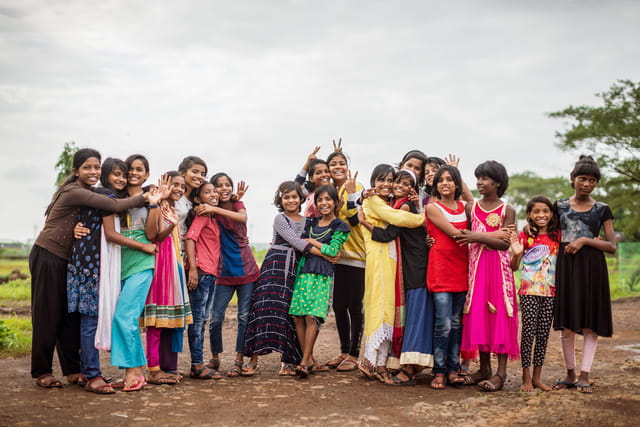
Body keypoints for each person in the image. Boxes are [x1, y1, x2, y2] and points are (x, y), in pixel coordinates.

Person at [30, 148, 153, 389]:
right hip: (49, 254)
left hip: (70, 259)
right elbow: (113, 206)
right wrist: (146, 198)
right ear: (75, 171)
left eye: (96, 167)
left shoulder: (88, 192)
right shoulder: (77, 191)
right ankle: (42, 371)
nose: (93, 171)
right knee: (47, 315)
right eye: (87, 167)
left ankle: (74, 370)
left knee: (69, 317)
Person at [67, 157, 144, 394]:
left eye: (123, 175)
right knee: (90, 319)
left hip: (100, 264)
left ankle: (88, 370)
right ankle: (92, 375)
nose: (121, 179)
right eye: (116, 174)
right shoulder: (104, 196)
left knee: (93, 318)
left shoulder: (110, 197)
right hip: (90, 265)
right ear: (105, 176)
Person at [359, 169, 432, 386]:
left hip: (390, 260)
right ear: (373, 182)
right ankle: (371, 360)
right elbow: (397, 219)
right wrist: (426, 218)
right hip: (379, 259)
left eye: (389, 180)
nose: (387, 184)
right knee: (379, 308)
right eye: (382, 179)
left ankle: (381, 363)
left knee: (388, 311)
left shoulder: (388, 202)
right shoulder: (373, 201)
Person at [552, 156, 616, 394]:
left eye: (592, 180)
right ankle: (570, 373)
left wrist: (585, 240)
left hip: (592, 269)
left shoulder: (602, 209)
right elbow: (548, 233)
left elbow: (611, 246)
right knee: (567, 322)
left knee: (590, 323)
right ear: (572, 180)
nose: (587, 183)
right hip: (566, 266)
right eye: (582, 178)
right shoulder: (558, 206)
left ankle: (585, 374)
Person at [243, 181, 320, 376]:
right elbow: (295, 241)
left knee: (290, 313)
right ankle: (253, 358)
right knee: (262, 308)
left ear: (301, 198)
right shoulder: (280, 219)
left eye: (294, 196)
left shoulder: (309, 221)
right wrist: (325, 254)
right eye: (286, 197)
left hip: (296, 269)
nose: (291, 200)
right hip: (274, 267)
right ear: (281, 200)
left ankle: (289, 361)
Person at [456, 160, 517, 392]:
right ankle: (483, 368)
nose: (479, 182)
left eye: (485, 178)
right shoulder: (471, 208)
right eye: (478, 178)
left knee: (500, 313)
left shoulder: (507, 210)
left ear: (498, 183)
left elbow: (503, 245)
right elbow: (467, 235)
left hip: (499, 272)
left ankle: (501, 374)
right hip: (476, 269)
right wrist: (485, 236)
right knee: (479, 313)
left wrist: (477, 236)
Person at [110, 154, 166, 392]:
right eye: (129, 169)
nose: (133, 173)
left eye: (139, 169)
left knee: (126, 316)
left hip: (142, 263)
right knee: (122, 317)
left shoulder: (151, 198)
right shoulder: (115, 199)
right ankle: (131, 371)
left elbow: (153, 234)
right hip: (118, 264)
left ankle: (135, 372)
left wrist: (154, 203)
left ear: (146, 173)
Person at [288, 185, 350, 377]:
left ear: (335, 202)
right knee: (298, 315)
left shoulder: (340, 226)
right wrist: (311, 242)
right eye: (320, 200)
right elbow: (300, 243)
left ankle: (305, 361)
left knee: (312, 316)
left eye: (328, 199)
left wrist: (311, 241)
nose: (324, 203)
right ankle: (309, 358)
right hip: (304, 272)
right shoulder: (311, 223)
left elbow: (332, 251)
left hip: (322, 275)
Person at [202, 173, 260, 377]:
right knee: (215, 318)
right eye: (218, 185)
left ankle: (239, 359)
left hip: (247, 270)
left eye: (228, 185)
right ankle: (215, 358)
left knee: (244, 317)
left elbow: (243, 217)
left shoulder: (237, 205)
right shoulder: (209, 211)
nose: (224, 188)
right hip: (222, 272)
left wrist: (216, 207)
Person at [142, 172, 193, 385]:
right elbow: (155, 236)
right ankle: (153, 369)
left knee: (169, 321)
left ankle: (165, 366)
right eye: (175, 185)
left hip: (174, 265)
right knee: (156, 321)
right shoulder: (157, 206)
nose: (179, 190)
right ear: (164, 185)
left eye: (182, 186)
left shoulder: (171, 208)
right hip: (161, 266)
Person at [510, 196, 560, 392]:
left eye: (546, 211)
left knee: (543, 335)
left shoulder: (558, 235)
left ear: (552, 214)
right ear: (529, 214)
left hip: (550, 293)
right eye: (537, 211)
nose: (542, 215)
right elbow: (514, 267)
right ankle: (526, 377)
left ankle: (538, 378)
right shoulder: (525, 237)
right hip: (529, 292)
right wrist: (516, 253)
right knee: (528, 334)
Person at [425, 165, 469, 390]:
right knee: (443, 324)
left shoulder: (465, 207)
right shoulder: (433, 208)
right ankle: (439, 370)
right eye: (440, 179)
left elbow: (475, 204)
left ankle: (454, 368)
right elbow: (454, 234)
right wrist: (490, 236)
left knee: (456, 323)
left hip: (462, 270)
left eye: (450, 179)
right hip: (440, 271)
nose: (444, 183)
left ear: (457, 184)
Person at [324, 146, 366, 372]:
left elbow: (356, 220)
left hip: (357, 254)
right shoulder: (329, 191)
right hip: (336, 257)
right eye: (333, 164)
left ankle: (354, 354)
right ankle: (343, 350)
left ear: (347, 167)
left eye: (341, 163)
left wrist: (350, 196)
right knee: (339, 305)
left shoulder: (356, 187)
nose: (337, 167)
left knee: (354, 306)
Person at [184, 182, 222, 379]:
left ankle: (197, 363)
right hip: (201, 272)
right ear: (198, 199)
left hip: (210, 273)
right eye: (207, 192)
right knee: (198, 320)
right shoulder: (202, 216)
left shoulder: (212, 217)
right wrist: (192, 269)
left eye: (214, 191)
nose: (213, 194)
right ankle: (197, 365)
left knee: (203, 319)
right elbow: (190, 239)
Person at [295, 146, 331, 218]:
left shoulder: (332, 191)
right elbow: (296, 186)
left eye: (326, 171)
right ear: (311, 178)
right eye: (318, 173)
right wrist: (308, 163)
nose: (324, 175)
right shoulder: (309, 193)